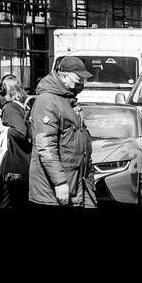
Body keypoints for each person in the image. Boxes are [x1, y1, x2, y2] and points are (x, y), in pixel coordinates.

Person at [28, 55, 96, 207]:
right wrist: (60, 182)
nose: (82, 82)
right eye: (79, 78)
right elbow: (46, 147)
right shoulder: (48, 101)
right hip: (54, 189)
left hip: (77, 182)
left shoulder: (67, 99)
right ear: (64, 76)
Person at [0, 74, 31, 209]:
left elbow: (20, 132)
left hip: (13, 168)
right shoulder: (23, 107)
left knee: (4, 204)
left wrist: (1, 128)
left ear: (4, 91)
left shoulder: (10, 108)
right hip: (24, 167)